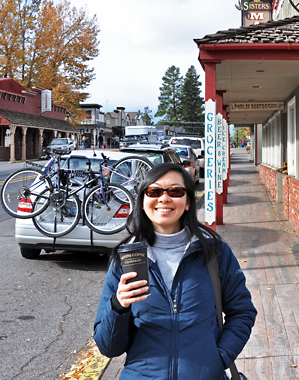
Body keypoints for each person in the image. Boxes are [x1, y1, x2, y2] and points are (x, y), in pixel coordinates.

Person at [94, 162, 257, 379]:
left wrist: (219, 358)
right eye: (154, 191)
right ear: (143, 201)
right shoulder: (127, 259)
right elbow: (109, 347)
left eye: (175, 191)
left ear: (188, 202)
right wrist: (118, 306)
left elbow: (242, 311)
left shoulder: (214, 251)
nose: (164, 198)